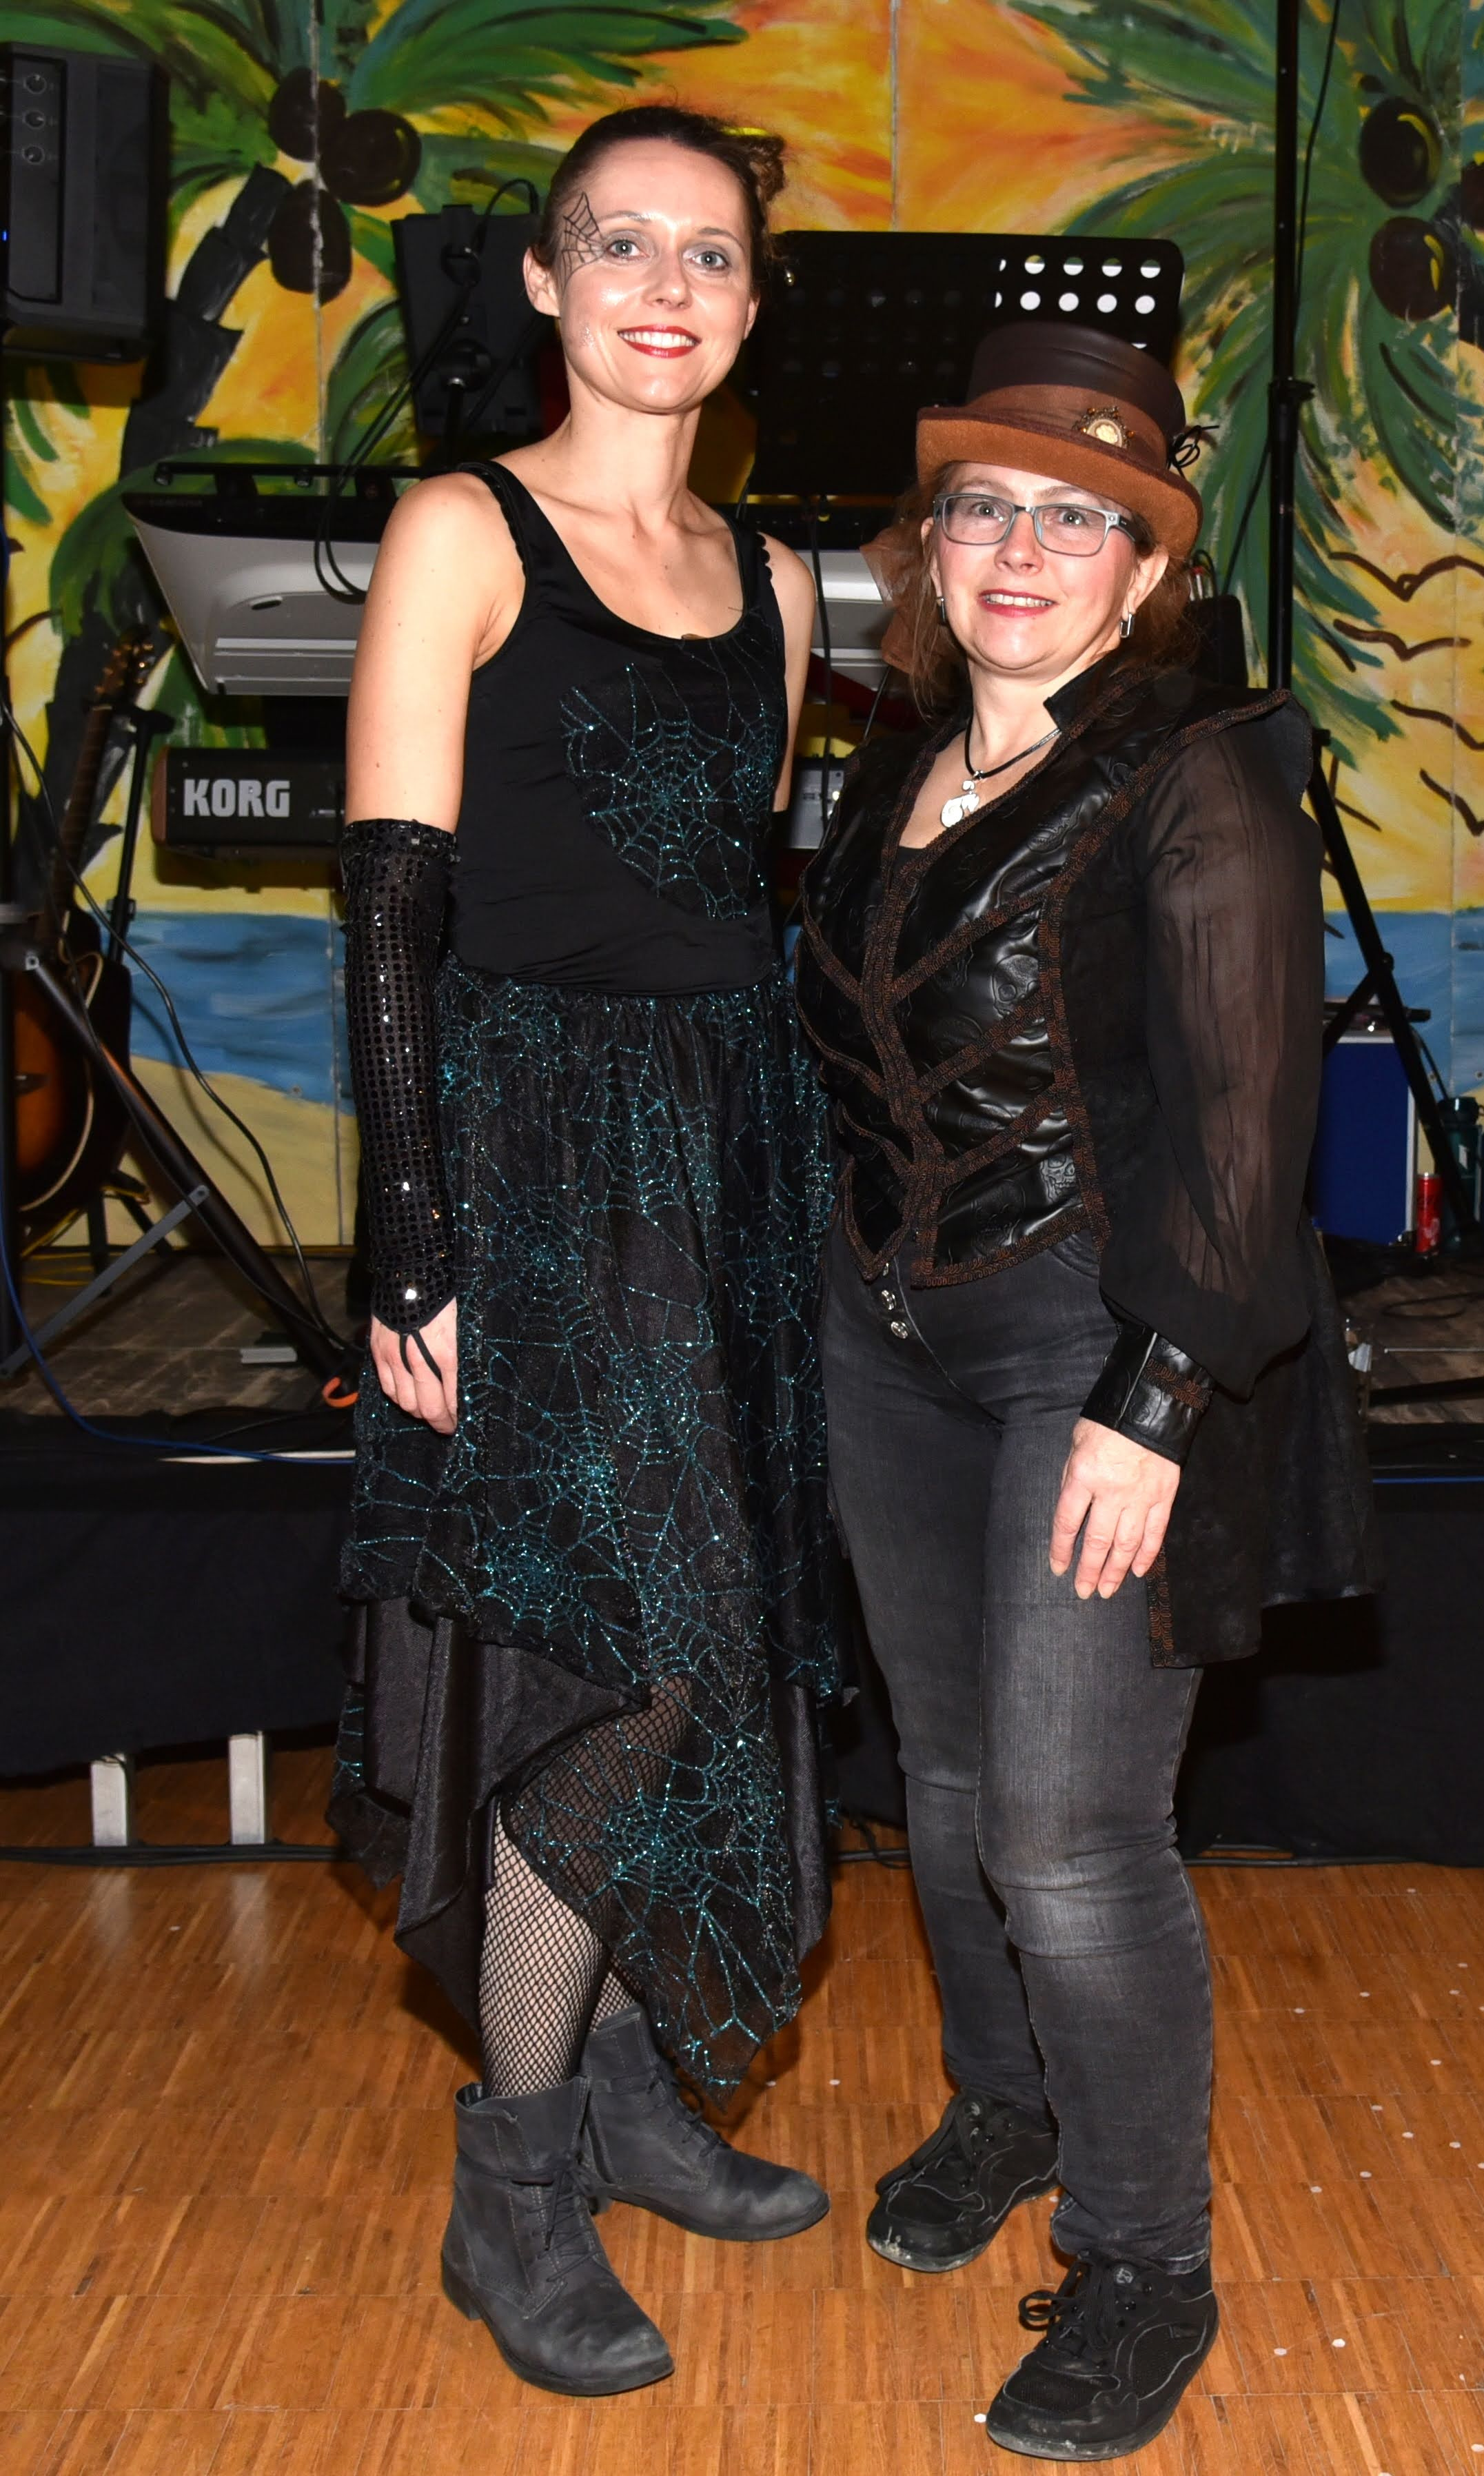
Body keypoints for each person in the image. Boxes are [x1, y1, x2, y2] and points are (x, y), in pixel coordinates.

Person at [794, 323, 1375, 2462]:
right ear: (928, 547)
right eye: (986, 508)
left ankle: (1146, 2262)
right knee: (948, 1784)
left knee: (1070, 1829)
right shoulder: (892, 765)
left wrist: (1154, 1399)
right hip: (888, 1339)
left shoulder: (1198, 771)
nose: (1023, 548)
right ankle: (1007, 2104)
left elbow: (1248, 1132)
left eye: (1078, 519)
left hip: (1093, 1341)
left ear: (1144, 572)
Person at [329, 104, 838, 2400]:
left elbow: (742, 904)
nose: (664, 287)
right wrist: (407, 1245)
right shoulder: (462, 527)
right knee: (607, 1665)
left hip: (728, 1160)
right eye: (619, 244)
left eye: (709, 254)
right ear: (543, 281)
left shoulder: (780, 584)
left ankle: (630, 2087)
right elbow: (391, 911)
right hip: (530, 1166)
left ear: (751, 302)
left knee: (708, 1646)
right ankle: (516, 2177)